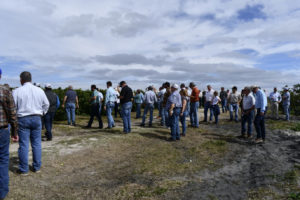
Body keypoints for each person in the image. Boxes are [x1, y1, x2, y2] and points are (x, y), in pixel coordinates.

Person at [13, 71, 49, 175]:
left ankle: (24, 169)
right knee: (36, 143)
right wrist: (42, 113)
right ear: (31, 79)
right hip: (37, 118)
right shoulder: (39, 90)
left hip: (23, 118)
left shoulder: (16, 91)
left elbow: (13, 107)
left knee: (24, 145)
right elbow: (46, 104)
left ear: (21, 79)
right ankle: (37, 167)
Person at [0, 68, 18, 200]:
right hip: (2, 130)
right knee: (3, 160)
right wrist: (15, 131)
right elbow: (12, 113)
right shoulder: (5, 91)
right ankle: (2, 192)